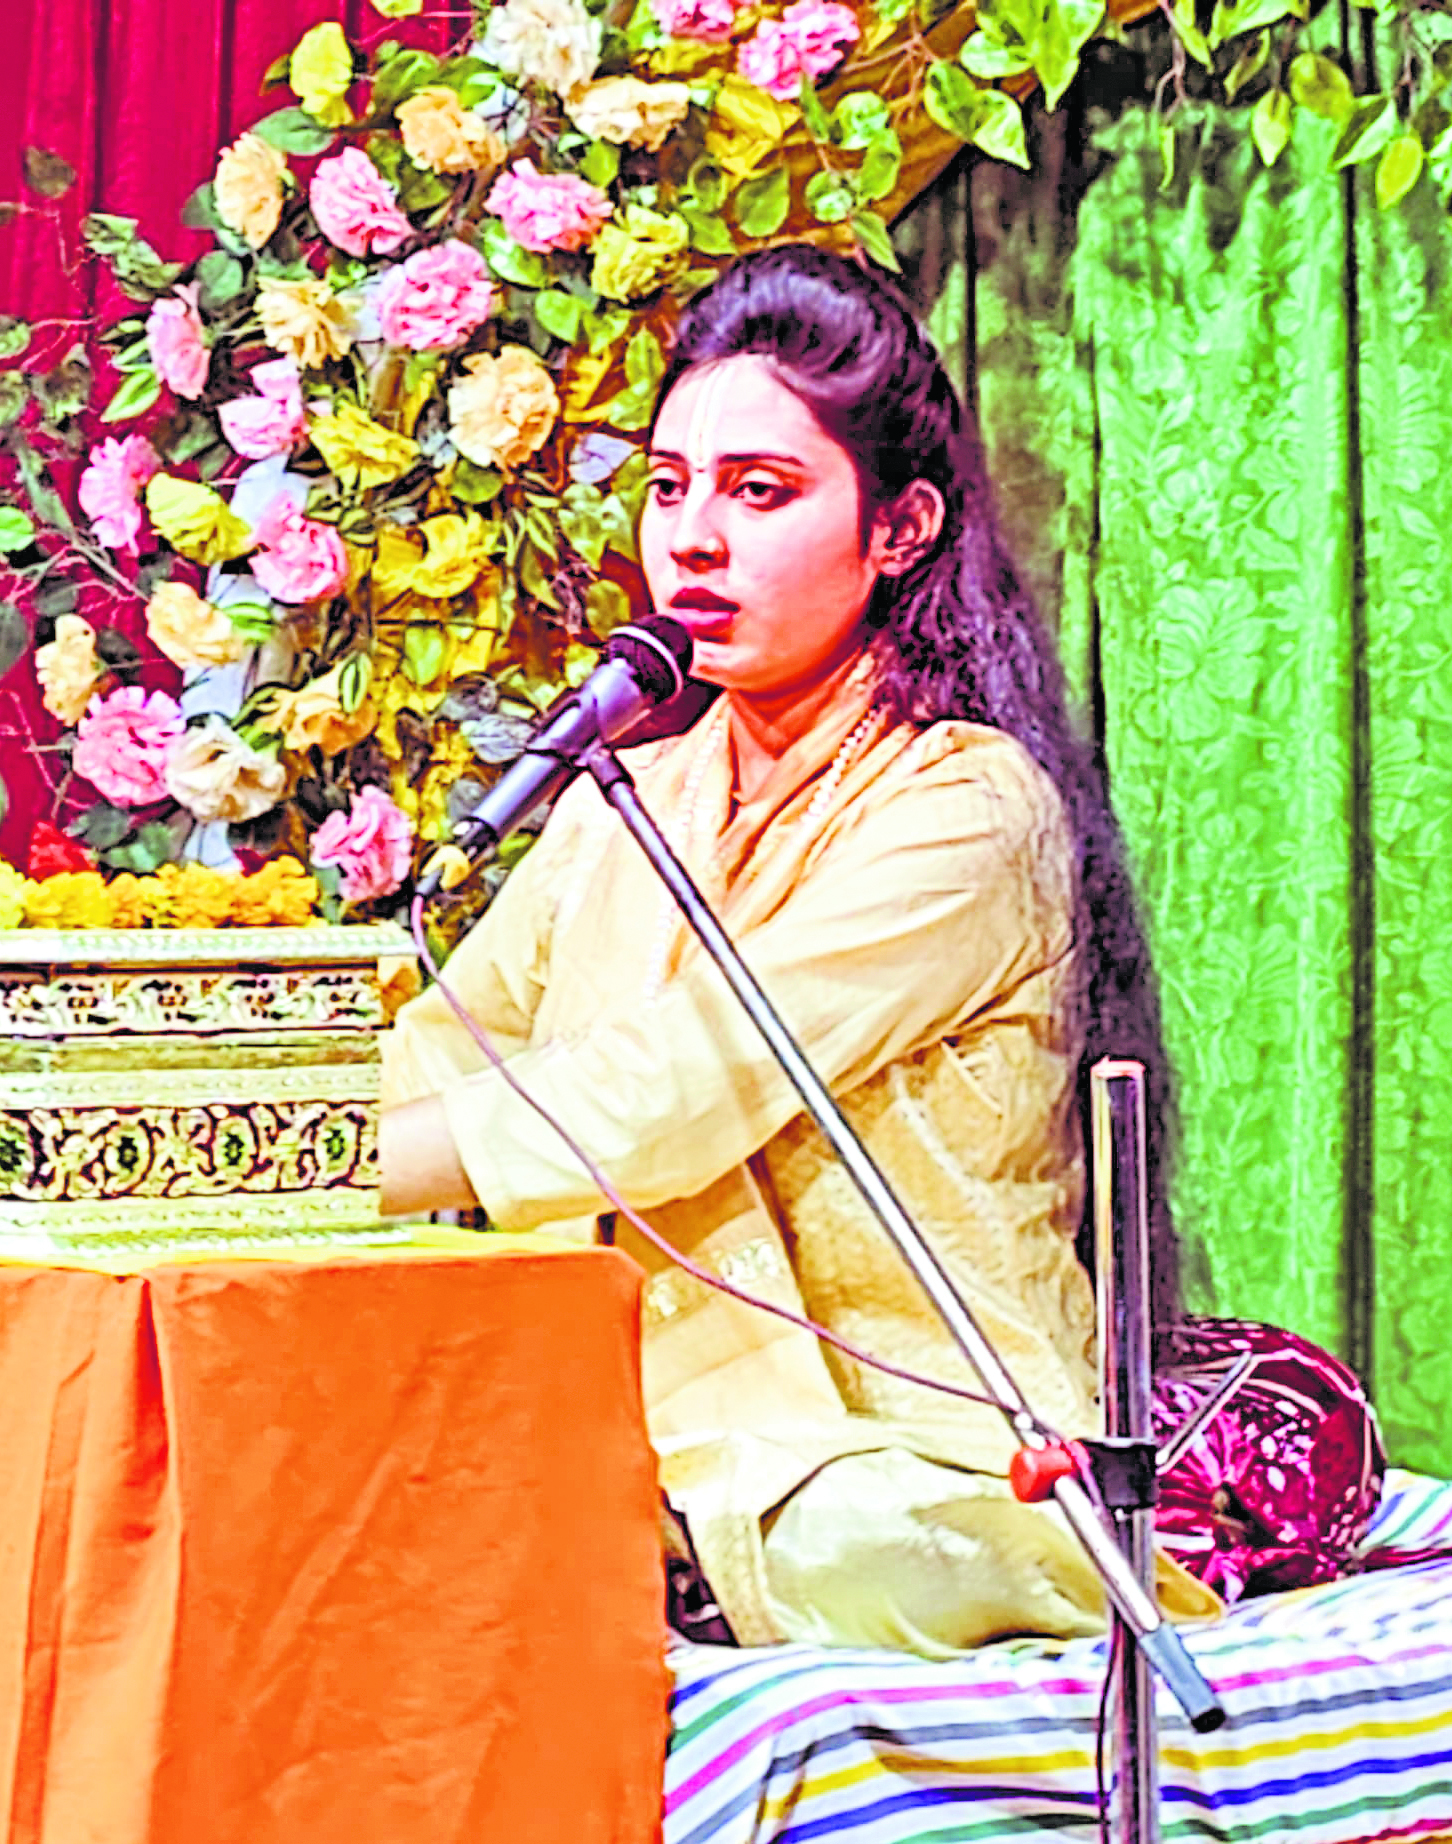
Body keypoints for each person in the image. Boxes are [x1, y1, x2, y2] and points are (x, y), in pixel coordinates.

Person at [379, 245, 1217, 1654]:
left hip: (902, 1451)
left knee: (889, 1557)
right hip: (639, 1424)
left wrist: (326, 1159)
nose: (692, 541)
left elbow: (675, 1086)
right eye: (669, 488)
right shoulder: (633, 795)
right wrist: (253, 1157)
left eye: (759, 492)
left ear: (902, 529)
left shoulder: (969, 806)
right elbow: (447, 1043)